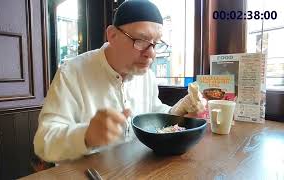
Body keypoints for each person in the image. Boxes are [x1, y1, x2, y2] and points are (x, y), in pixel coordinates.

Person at [34, 0, 206, 163]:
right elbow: (43, 142)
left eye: (156, 43)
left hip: (135, 168)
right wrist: (86, 135)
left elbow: (152, 114)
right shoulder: (72, 72)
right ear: (112, 35)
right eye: (141, 41)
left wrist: (179, 110)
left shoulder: (146, 75)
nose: (151, 54)